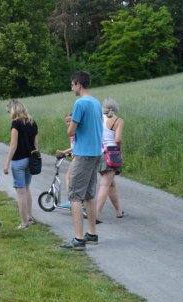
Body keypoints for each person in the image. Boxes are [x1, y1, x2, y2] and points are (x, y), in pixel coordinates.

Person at [60, 71, 103, 251]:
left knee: (75, 196)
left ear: (78, 84)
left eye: (72, 85)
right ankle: (92, 234)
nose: (72, 88)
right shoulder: (96, 102)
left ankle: (78, 239)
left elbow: (71, 132)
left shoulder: (80, 103)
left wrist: (70, 122)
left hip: (83, 154)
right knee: (89, 195)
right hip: (96, 153)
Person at [3, 99, 38, 229]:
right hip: (30, 160)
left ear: (13, 110)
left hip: (18, 161)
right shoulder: (33, 123)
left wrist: (6, 163)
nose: (9, 114)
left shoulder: (15, 123)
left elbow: (13, 145)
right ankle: (30, 216)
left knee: (21, 192)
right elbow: (36, 145)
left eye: (8, 111)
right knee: (27, 188)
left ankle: (24, 223)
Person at [96, 97, 124, 223]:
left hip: (98, 153)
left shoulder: (98, 118)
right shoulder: (118, 120)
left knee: (110, 184)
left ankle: (118, 211)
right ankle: (96, 214)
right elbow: (117, 139)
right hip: (111, 154)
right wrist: (120, 151)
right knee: (105, 184)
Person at [55, 112, 75, 208]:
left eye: (69, 121)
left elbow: (75, 146)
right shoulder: (73, 131)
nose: (68, 123)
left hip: (77, 157)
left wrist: (63, 152)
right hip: (76, 156)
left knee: (68, 177)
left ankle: (71, 200)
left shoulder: (74, 131)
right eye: (66, 122)